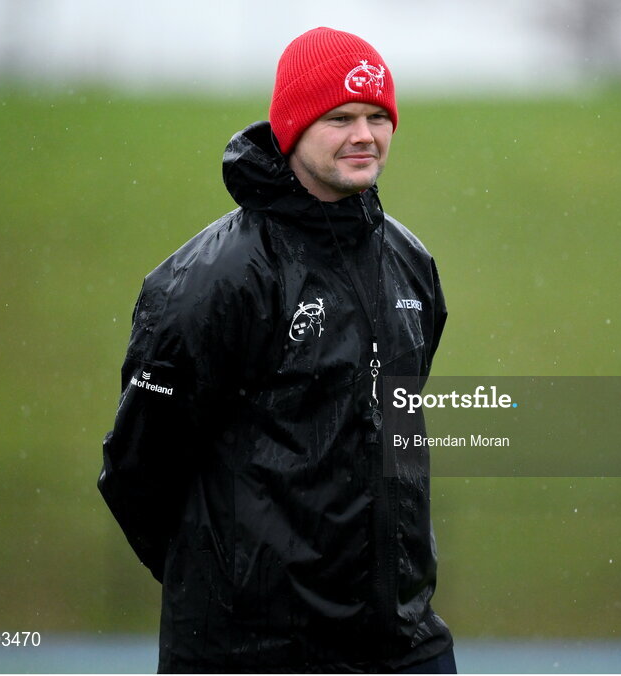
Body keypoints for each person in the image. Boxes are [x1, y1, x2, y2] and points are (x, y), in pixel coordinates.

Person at [98, 27, 455, 673]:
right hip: (251, 647)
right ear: (292, 127)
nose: (364, 135)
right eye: (340, 117)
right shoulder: (217, 276)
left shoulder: (411, 264)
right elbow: (138, 466)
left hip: (397, 640)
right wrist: (227, 585)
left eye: (378, 116)